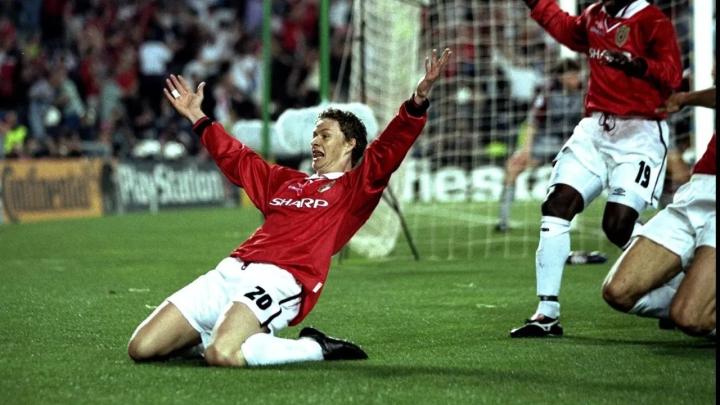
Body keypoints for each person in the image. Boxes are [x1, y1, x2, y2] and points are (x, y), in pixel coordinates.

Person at [127, 48, 452, 367]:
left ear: (350, 144)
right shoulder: (285, 181)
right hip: (229, 270)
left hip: (279, 279)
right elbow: (238, 159)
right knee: (141, 348)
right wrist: (198, 118)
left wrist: (417, 101)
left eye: (325, 135)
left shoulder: (355, 188)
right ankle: (214, 336)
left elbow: (389, 148)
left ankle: (315, 347)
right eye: (314, 135)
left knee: (222, 355)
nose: (315, 141)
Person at [510, 0, 682, 337]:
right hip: (595, 129)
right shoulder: (594, 15)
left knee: (617, 226)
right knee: (556, 205)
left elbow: (673, 75)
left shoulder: (652, 20)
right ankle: (547, 313)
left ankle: (678, 287)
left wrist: (639, 65)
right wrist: (536, 3)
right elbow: (568, 30)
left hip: (640, 133)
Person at [602, 86, 715, 337]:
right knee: (618, 291)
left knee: (689, 318)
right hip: (700, 189)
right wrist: (686, 98)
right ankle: (697, 292)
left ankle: (698, 302)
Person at [496, 58, 583, 233]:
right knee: (512, 168)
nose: (576, 79)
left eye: (577, 75)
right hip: (543, 141)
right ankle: (503, 221)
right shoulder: (547, 93)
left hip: (570, 143)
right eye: (571, 75)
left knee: (579, 176)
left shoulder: (586, 93)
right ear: (561, 77)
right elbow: (532, 123)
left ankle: (571, 219)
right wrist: (526, 151)